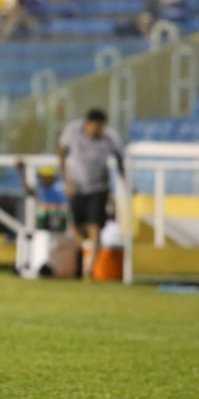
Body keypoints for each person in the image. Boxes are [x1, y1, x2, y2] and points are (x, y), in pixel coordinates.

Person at [58, 108, 124, 279]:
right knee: (77, 227)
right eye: (97, 127)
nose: (100, 130)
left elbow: (119, 158)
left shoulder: (110, 138)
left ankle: (89, 268)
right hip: (78, 188)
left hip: (99, 189)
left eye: (102, 127)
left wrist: (123, 183)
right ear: (88, 124)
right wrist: (65, 179)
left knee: (95, 226)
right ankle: (83, 258)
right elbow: (61, 152)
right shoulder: (73, 131)